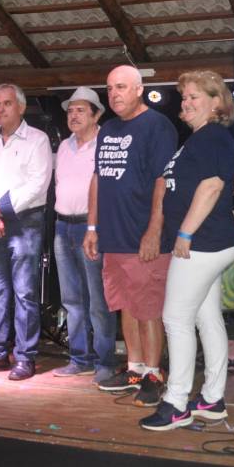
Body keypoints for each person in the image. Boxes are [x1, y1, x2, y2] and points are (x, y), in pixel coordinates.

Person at [139, 71, 234, 431]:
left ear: (216, 103)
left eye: (195, 96)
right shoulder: (199, 139)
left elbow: (212, 187)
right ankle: (212, 399)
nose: (186, 102)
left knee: (176, 318)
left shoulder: (212, 136)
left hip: (202, 244)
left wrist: (185, 233)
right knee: (206, 318)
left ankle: (176, 403)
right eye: (184, 97)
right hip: (210, 243)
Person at [84, 65, 178, 408]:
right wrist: (92, 227)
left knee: (149, 308)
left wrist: (154, 230)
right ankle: (135, 369)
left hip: (143, 237)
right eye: (110, 88)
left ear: (139, 89)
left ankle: (154, 373)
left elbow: (163, 180)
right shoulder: (107, 129)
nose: (114, 94)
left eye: (121, 87)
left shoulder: (157, 126)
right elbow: (98, 178)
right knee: (125, 304)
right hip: (113, 236)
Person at [0, 83, 53, 380]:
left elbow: (38, 184)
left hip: (24, 222)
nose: (1, 109)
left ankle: (25, 357)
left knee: (25, 293)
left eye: (7, 103)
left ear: (21, 107)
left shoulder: (37, 139)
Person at [51, 87, 118, 383]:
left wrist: (94, 227)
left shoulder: (106, 144)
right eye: (70, 111)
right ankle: (79, 358)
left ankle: (105, 361)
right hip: (62, 226)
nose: (73, 115)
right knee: (71, 298)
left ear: (96, 115)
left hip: (92, 228)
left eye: (80, 110)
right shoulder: (64, 147)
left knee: (98, 300)